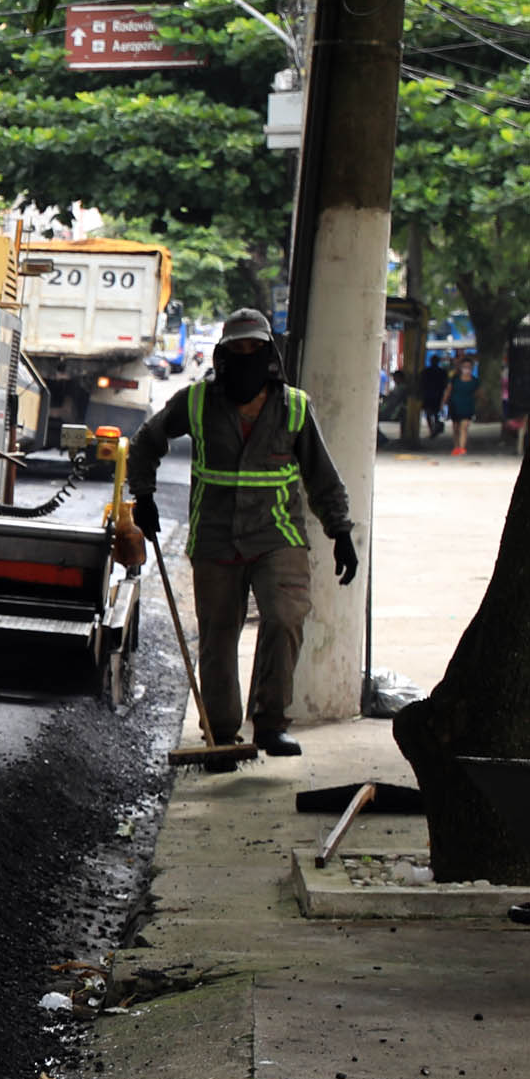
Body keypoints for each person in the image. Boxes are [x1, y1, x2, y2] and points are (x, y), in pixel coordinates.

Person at [127, 310, 356, 762]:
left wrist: (341, 530)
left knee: (285, 618)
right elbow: (146, 441)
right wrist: (144, 494)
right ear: (224, 354)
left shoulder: (294, 407)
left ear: (269, 354)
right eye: (238, 348)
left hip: (278, 536)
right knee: (218, 635)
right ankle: (223, 733)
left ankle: (271, 724)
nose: (247, 356)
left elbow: (322, 477)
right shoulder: (195, 402)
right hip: (216, 540)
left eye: (255, 348)